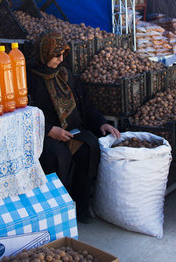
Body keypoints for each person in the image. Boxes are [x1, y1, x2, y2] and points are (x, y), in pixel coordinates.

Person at [27, 30, 120, 223]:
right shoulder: (29, 79)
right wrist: (49, 130)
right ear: (44, 53)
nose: (61, 59)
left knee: (89, 146)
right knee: (55, 156)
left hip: (71, 130)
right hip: (43, 134)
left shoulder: (65, 74)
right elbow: (24, 114)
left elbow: (84, 104)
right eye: (56, 55)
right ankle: (57, 213)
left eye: (63, 55)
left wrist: (101, 123)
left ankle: (81, 208)